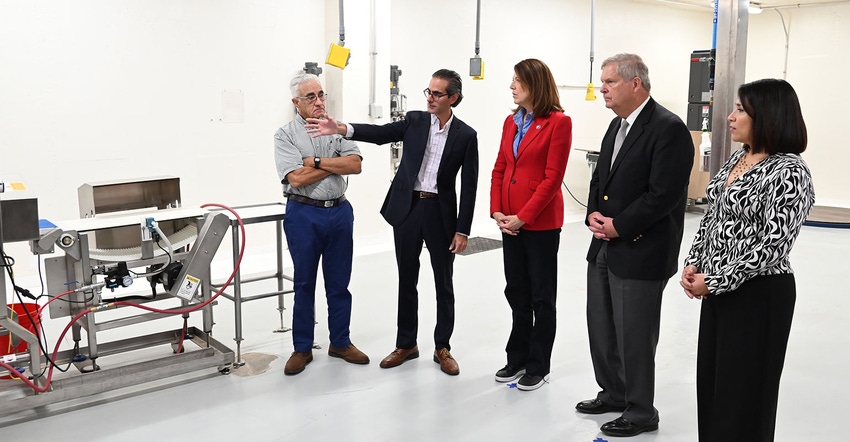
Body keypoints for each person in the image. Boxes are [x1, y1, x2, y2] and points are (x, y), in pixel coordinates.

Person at [305, 69, 478, 376]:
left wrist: (462, 229)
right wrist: (341, 128)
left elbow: (470, 185)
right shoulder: (414, 120)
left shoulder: (466, 135)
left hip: (441, 214)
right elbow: (381, 133)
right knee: (406, 279)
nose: (430, 98)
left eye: (437, 94)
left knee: (443, 283)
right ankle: (406, 344)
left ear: (453, 98)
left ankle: (443, 347)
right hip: (409, 210)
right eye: (429, 91)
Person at [680, 78, 814, 442]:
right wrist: (695, 263)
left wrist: (718, 279)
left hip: (760, 295)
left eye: (740, 109)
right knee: (714, 385)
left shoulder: (789, 171)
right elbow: (712, 218)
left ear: (766, 115)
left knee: (745, 394)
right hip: (720, 291)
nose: (729, 117)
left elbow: (772, 244)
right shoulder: (739, 159)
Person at [577, 53, 693, 437]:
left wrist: (619, 226)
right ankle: (613, 392)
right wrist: (594, 213)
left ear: (635, 84)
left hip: (642, 249)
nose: (603, 88)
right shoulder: (617, 126)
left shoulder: (668, 128)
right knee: (602, 328)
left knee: (635, 336)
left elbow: (664, 195)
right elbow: (601, 179)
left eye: (609, 82)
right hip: (605, 244)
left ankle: (641, 411)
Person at [274, 73, 369, 375]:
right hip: (304, 214)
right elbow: (295, 178)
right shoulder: (285, 135)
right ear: (296, 103)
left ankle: (340, 341)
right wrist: (331, 165)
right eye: (310, 97)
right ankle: (302, 348)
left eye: (321, 95)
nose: (318, 102)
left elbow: (355, 165)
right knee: (304, 283)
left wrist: (313, 161)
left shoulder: (335, 128)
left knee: (339, 282)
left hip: (339, 212)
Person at [490, 58, 572, 391]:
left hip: (539, 224)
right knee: (516, 291)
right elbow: (499, 169)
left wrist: (523, 216)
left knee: (541, 296)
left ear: (534, 84)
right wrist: (497, 212)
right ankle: (517, 357)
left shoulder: (558, 123)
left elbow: (552, 180)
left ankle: (539, 365)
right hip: (509, 222)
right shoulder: (511, 122)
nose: (512, 86)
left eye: (517, 81)